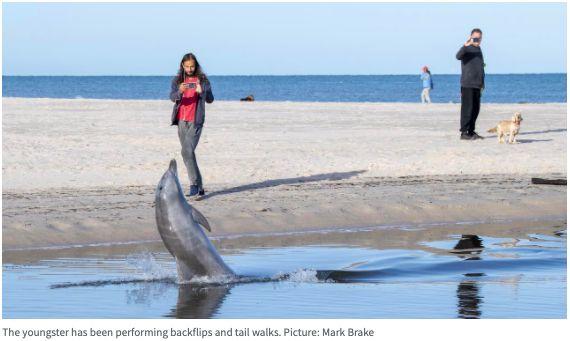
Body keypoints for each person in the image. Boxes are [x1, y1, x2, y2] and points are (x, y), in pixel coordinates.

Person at [169, 53, 214, 197]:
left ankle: (194, 185)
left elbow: (210, 99)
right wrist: (179, 92)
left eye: (192, 66)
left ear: (196, 65)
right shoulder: (178, 80)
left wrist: (202, 92)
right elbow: (171, 97)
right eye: (187, 66)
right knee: (189, 154)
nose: (189, 69)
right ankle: (200, 189)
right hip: (181, 120)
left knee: (186, 152)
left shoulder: (203, 80)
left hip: (196, 121)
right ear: (182, 65)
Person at [456, 28, 485, 140]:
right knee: (467, 109)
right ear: (471, 37)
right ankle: (464, 133)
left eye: (479, 38)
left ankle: (471, 131)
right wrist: (466, 45)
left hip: (477, 84)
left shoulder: (479, 49)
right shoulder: (466, 48)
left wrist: (482, 83)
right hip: (467, 83)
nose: (477, 40)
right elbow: (458, 56)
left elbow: (480, 67)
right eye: (475, 37)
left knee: (475, 109)